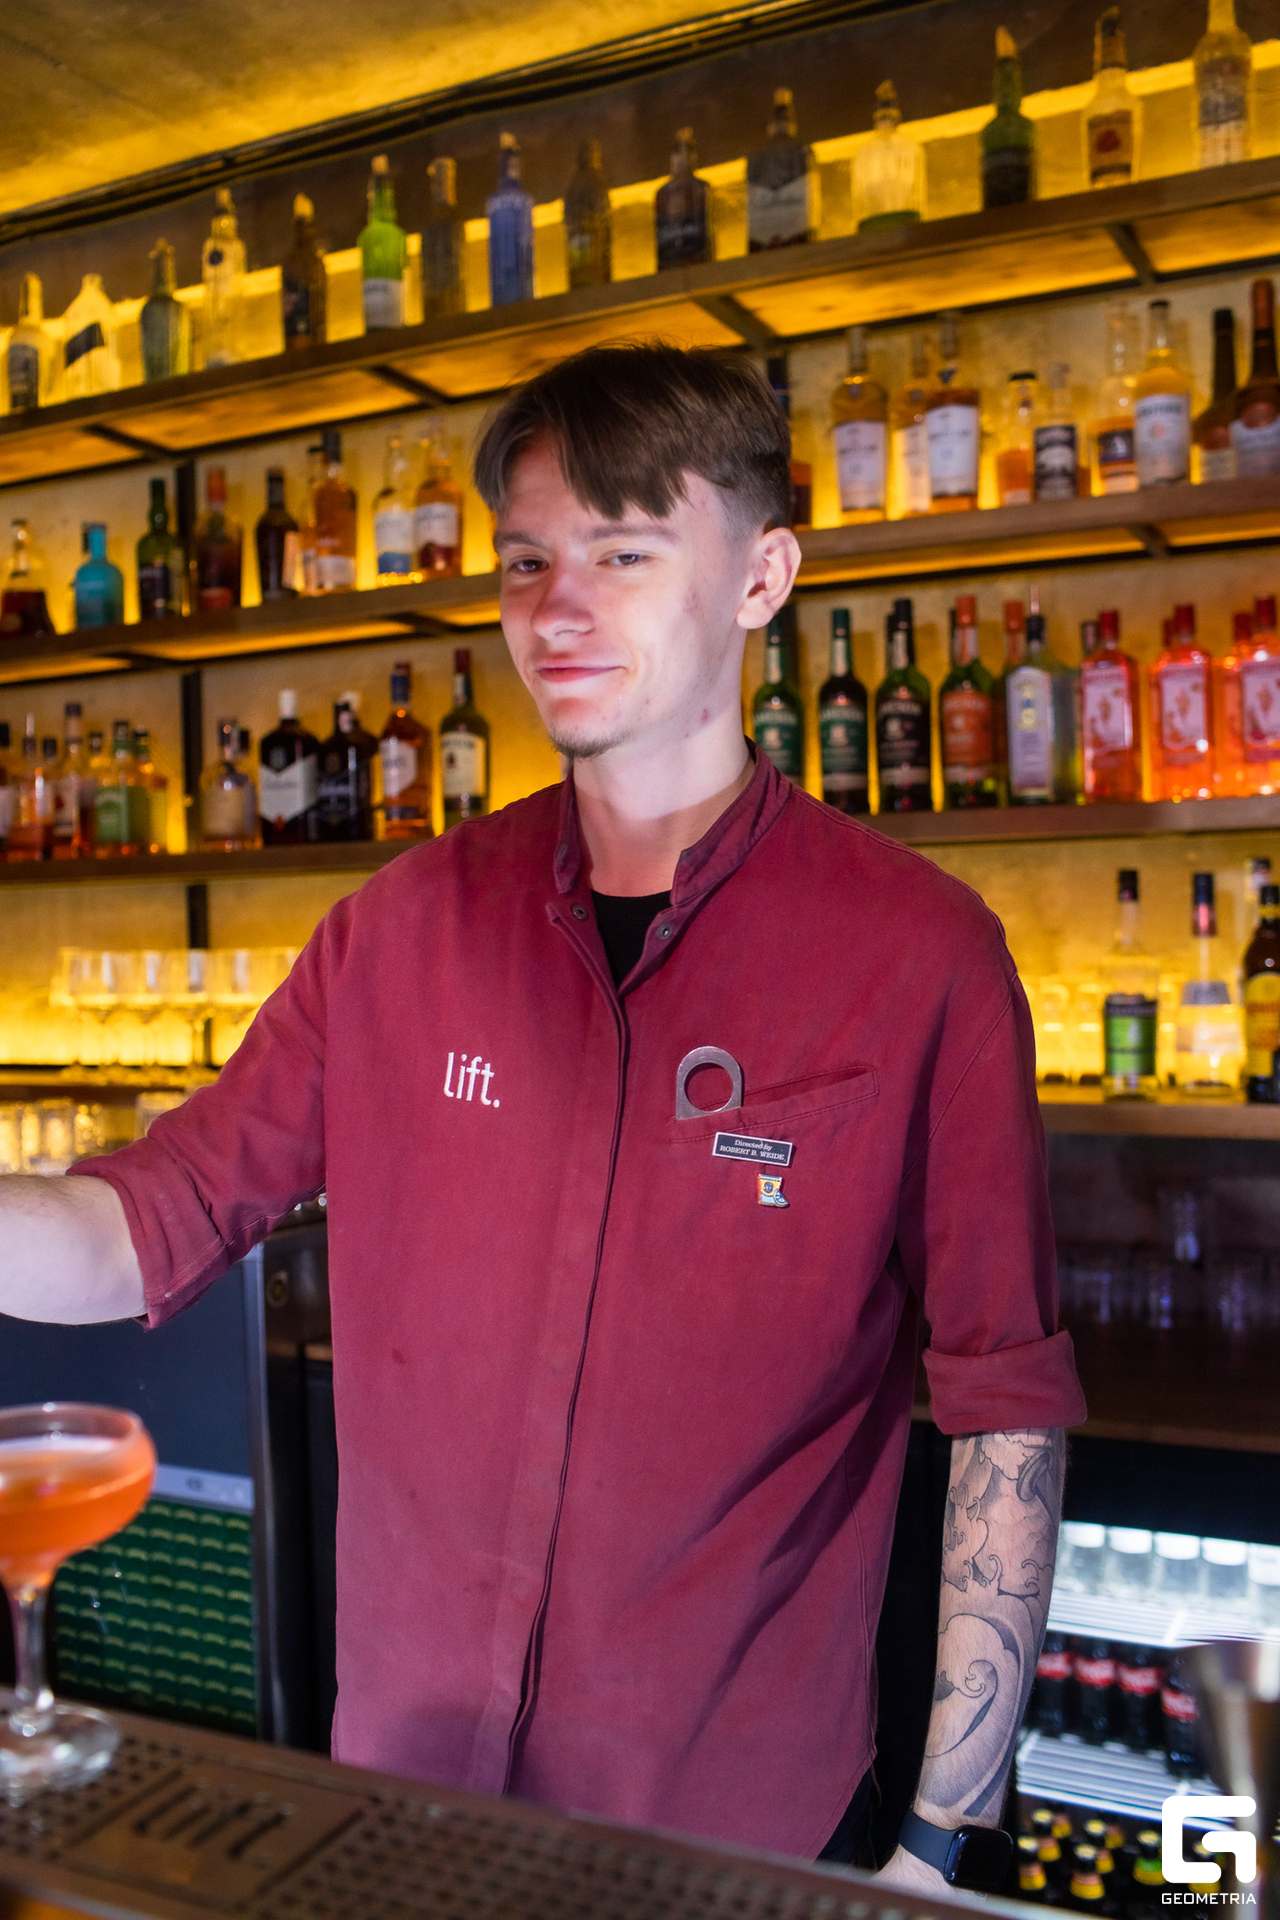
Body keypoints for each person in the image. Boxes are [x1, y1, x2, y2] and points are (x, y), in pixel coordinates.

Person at [0, 343, 1084, 1892]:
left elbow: (1004, 1402)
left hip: (738, 1838)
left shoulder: (922, 957)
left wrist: (930, 1845)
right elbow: (148, 1221)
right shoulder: (397, 931)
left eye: (624, 554)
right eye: (526, 562)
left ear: (764, 576)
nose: (557, 609)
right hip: (405, 1815)